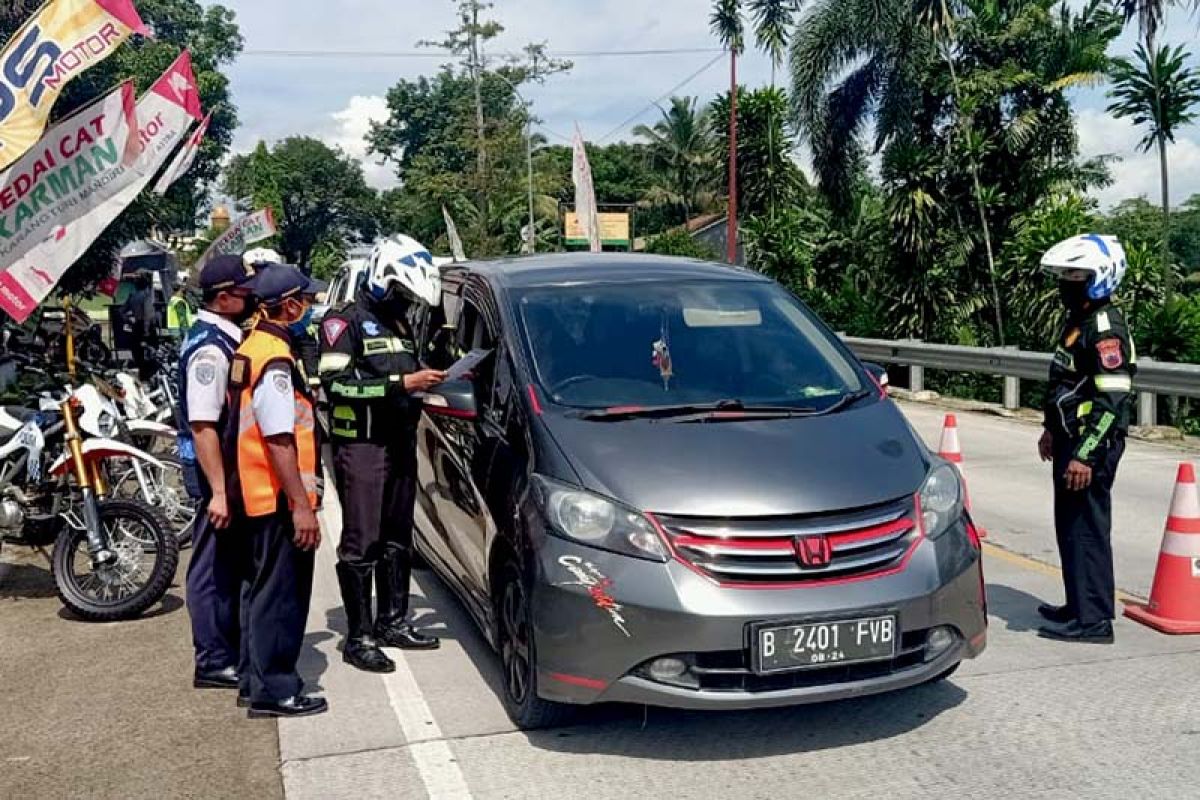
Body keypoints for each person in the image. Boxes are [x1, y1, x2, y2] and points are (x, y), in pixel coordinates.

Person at [318, 234, 446, 673]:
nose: (406, 300)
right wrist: (401, 386)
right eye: (402, 291)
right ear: (383, 279)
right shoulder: (342, 322)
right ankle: (359, 637)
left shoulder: (401, 322)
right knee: (362, 541)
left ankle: (394, 621)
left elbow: (409, 370)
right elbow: (335, 386)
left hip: (400, 440)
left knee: (397, 535)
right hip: (363, 445)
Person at [224, 263, 328, 717]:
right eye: (303, 299)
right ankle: (276, 690)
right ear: (288, 305)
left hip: (255, 491)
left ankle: (255, 678)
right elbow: (279, 437)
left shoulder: (255, 344)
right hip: (275, 497)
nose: (308, 306)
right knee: (279, 596)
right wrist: (302, 507)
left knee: (259, 590)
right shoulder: (275, 360)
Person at [1036, 234, 1136, 644]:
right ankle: (1079, 604)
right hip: (1069, 440)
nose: (1066, 282)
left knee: (1087, 530)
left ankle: (1094, 621)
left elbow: (1110, 400)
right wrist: (1050, 429)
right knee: (1070, 527)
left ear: (1100, 277)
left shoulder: (1104, 328)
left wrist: (1084, 456)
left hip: (1089, 447)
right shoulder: (1077, 323)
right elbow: (1066, 381)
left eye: (1075, 275)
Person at [180, 255, 262, 691]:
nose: (255, 298)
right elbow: (203, 424)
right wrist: (218, 492)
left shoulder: (226, 337)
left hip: (228, 472)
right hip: (215, 473)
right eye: (248, 292)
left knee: (228, 565)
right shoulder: (211, 349)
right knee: (211, 567)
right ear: (226, 298)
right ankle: (212, 659)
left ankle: (227, 645)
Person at [122, 271, 159, 380]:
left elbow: (121, 311)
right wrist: (147, 332)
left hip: (136, 326)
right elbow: (148, 315)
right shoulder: (146, 296)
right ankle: (151, 377)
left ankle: (142, 376)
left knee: (138, 355)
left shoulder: (132, 297)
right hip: (146, 327)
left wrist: (129, 320)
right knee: (152, 353)